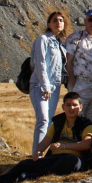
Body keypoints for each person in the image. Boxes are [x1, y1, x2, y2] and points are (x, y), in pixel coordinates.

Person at [0, 92, 92, 183]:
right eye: (68, 105)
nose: (71, 108)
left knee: (72, 161)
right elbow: (45, 141)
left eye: (74, 105)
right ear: (63, 107)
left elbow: (86, 144)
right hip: (54, 158)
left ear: (80, 108)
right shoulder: (58, 123)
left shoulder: (85, 124)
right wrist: (38, 151)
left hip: (74, 159)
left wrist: (63, 146)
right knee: (25, 163)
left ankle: (28, 178)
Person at [30, 11, 67, 149]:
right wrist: (45, 86)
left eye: (61, 20)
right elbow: (40, 64)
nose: (58, 23)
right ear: (49, 24)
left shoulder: (60, 44)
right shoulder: (43, 40)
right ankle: (37, 155)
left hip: (55, 86)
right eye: (55, 20)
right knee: (43, 120)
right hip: (40, 85)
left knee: (49, 120)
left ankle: (42, 154)